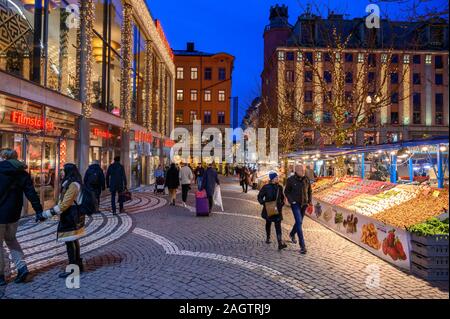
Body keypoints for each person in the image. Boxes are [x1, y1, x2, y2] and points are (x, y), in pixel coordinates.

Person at [0, 149, 44, 286]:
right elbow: (31, 193)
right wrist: (38, 211)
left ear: (3, 157)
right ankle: (22, 268)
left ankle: (1, 276)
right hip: (14, 214)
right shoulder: (22, 173)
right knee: (11, 239)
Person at [41, 163, 85, 278]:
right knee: (73, 240)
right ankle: (78, 266)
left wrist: (47, 213)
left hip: (71, 216)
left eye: (64, 170)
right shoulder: (73, 183)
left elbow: (65, 204)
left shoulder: (73, 185)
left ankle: (73, 269)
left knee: (70, 242)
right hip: (73, 214)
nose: (62, 173)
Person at [284, 165, 312, 255]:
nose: (303, 171)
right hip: (295, 204)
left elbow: (310, 191)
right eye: (301, 170)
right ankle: (302, 245)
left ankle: (292, 234)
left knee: (299, 222)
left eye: (304, 170)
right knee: (299, 222)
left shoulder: (306, 179)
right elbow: (286, 192)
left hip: (304, 204)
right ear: (296, 171)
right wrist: (292, 201)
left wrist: (309, 201)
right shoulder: (291, 180)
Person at [258, 172, 287, 251]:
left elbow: (282, 197)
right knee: (268, 223)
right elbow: (260, 197)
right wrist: (264, 204)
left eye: (277, 177)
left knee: (277, 225)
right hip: (270, 207)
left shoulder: (279, 187)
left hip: (276, 208)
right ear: (272, 179)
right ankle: (268, 237)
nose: (278, 179)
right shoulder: (266, 187)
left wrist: (281, 204)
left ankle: (280, 243)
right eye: (276, 178)